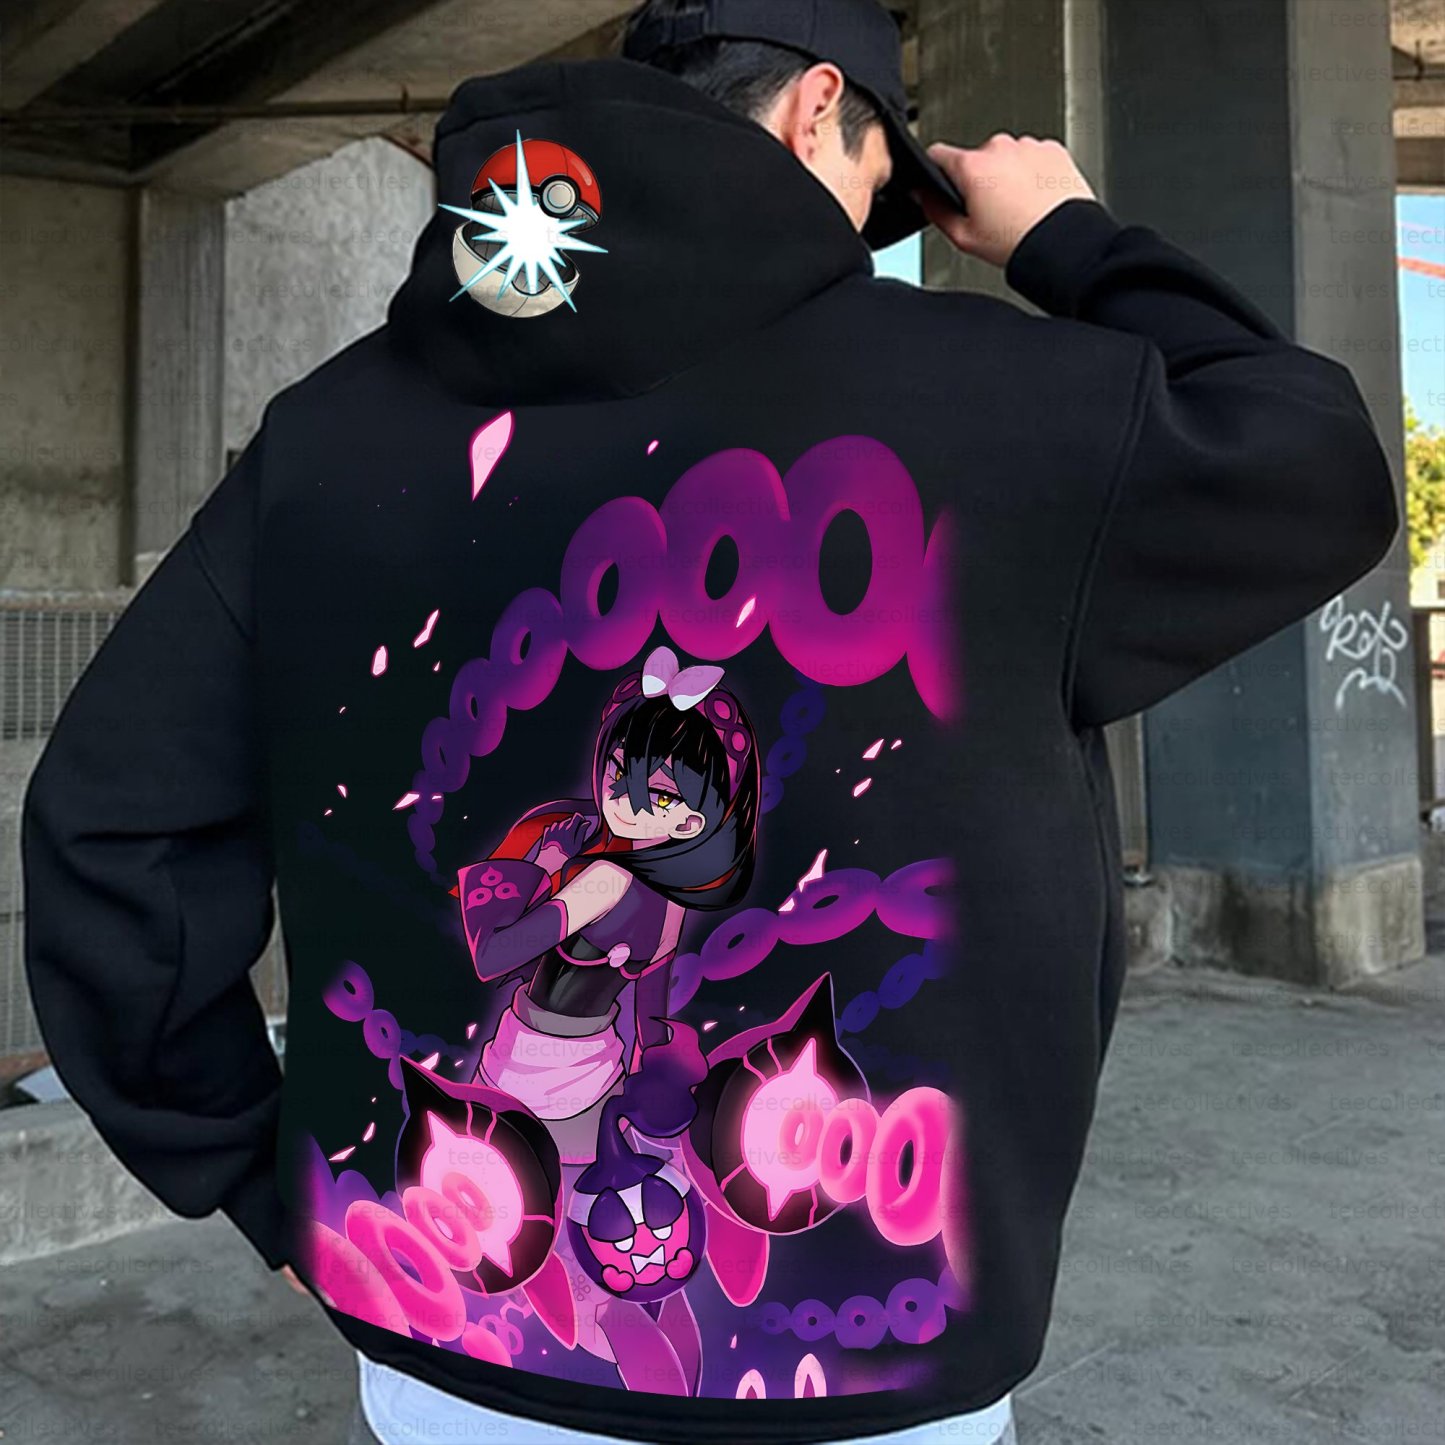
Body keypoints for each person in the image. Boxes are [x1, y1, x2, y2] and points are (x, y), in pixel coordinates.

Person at [21, 0, 1398, 1443]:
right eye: (879, 184)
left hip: (442, 1348)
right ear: (818, 108)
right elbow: (1313, 460)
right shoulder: (1006, 406)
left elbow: (115, 826)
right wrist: (1068, 235)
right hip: (880, 1370)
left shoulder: (324, 434)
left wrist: (271, 1185)